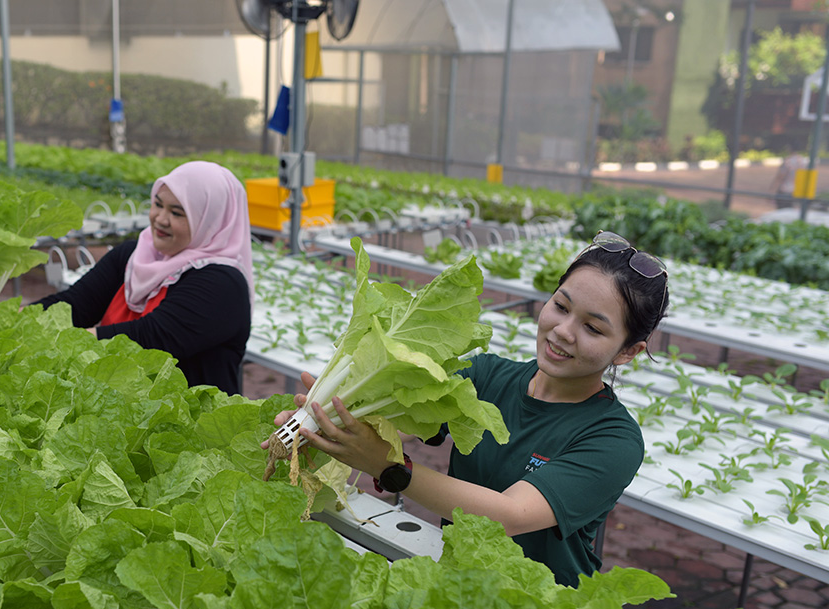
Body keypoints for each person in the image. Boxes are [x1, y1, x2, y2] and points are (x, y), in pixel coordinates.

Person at [279, 231, 670, 586]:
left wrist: (390, 470)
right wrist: (316, 427)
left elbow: (511, 515)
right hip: (458, 583)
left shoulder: (614, 439)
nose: (563, 331)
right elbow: (386, 421)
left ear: (627, 351)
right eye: (561, 306)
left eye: (593, 328)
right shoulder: (484, 375)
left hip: (542, 603)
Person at [35, 160, 253, 395]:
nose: (160, 218)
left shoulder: (223, 284)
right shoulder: (133, 254)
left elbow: (149, 338)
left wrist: (64, 339)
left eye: (177, 213)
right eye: (157, 205)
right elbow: (76, 304)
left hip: (193, 423)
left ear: (210, 221)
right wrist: (18, 319)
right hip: (127, 410)